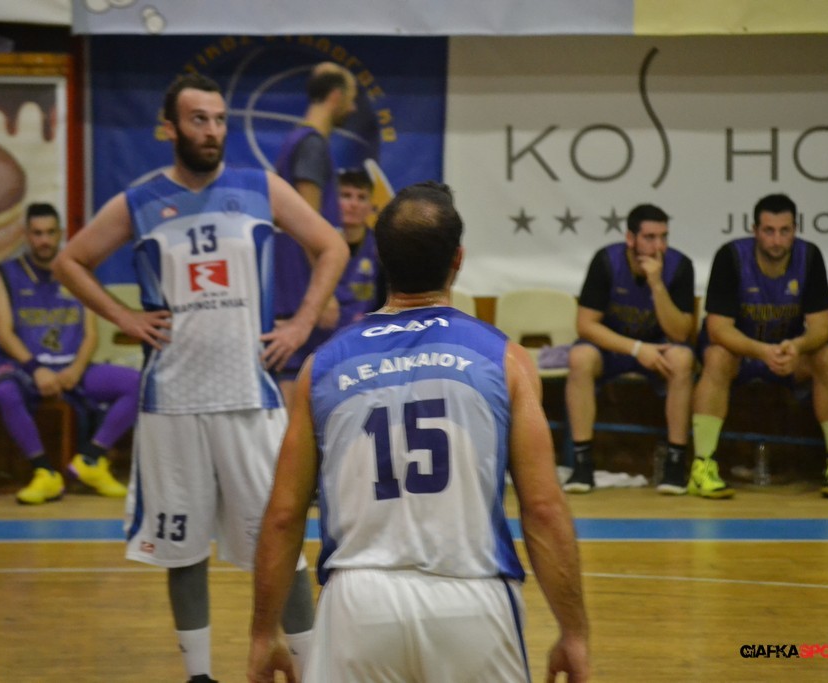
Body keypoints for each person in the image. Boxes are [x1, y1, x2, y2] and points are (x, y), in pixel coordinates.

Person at [52, 73, 348, 683]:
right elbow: (70, 261)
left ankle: (310, 670)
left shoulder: (259, 187)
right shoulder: (139, 201)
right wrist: (124, 317)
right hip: (172, 401)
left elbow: (332, 247)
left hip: (250, 397)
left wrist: (301, 323)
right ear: (169, 128)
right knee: (181, 549)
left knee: (280, 543)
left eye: (218, 120)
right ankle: (199, 676)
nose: (212, 131)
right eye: (198, 120)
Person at [247, 182, 591, 683]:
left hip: (357, 603)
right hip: (472, 596)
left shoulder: (321, 368)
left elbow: (283, 516)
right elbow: (542, 508)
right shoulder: (507, 361)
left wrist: (262, 633)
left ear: (382, 260)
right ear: (458, 260)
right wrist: (574, 631)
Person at [691, 193, 828, 499]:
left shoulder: (809, 256)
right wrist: (762, 351)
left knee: (826, 356)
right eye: (769, 231)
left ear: (795, 230)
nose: (777, 240)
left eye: (784, 230)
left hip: (786, 352)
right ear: (755, 230)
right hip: (741, 352)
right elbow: (718, 329)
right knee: (717, 357)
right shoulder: (731, 256)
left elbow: (822, 327)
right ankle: (702, 464)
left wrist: (798, 346)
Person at [0, 202, 138, 505]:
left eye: (49, 232)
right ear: (27, 236)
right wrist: (35, 369)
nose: (44, 240)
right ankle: (44, 472)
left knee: (140, 383)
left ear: (60, 233)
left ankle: (91, 460)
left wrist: (76, 369)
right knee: (4, 390)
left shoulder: (77, 270)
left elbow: (91, 334)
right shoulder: (7, 273)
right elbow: (4, 332)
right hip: (26, 368)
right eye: (37, 233)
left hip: (71, 367)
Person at [563, 203, 695, 495]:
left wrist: (657, 285)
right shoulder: (607, 261)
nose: (658, 246)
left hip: (660, 350)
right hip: (614, 348)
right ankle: (583, 463)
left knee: (683, 359)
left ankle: (675, 463)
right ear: (630, 238)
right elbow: (586, 325)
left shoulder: (679, 266)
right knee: (580, 357)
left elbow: (681, 332)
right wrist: (636, 348)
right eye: (650, 237)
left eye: (663, 237)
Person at [272, 62, 358, 407]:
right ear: (335, 97)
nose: (353, 107)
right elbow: (310, 228)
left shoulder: (297, 141)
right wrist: (325, 293)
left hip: (294, 288)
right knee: (302, 404)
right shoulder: (311, 145)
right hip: (301, 290)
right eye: (351, 98)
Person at [332, 168, 383, 326]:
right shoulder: (315, 243)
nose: (354, 204)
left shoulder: (381, 246)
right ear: (332, 201)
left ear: (370, 205)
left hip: (367, 331)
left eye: (361, 197)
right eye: (346, 196)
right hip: (322, 331)